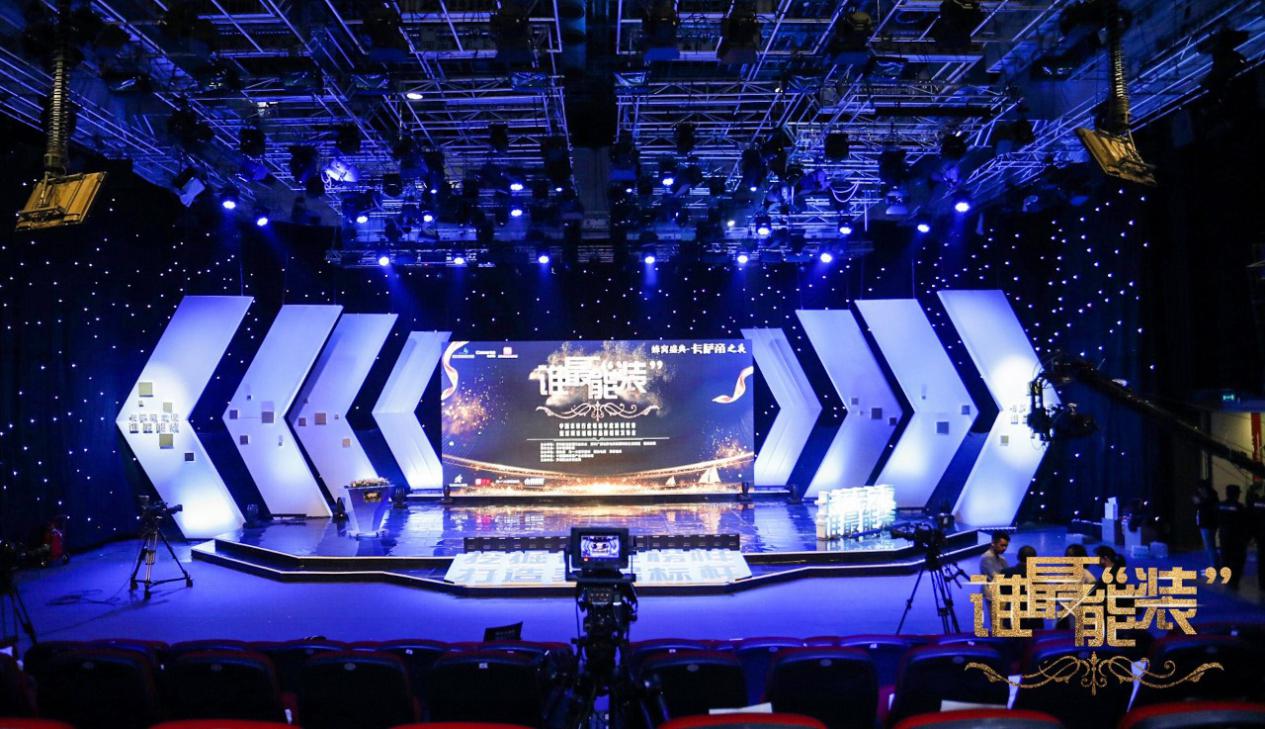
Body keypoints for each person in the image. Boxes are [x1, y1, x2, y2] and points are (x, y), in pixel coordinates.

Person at [1218, 485, 1249, 589]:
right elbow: (1245, 522)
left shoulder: (1220, 505)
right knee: (1237, 559)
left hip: (1224, 535)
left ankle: (1226, 578)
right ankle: (1234, 581)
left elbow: (1216, 518)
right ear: (1237, 494)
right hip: (1237, 537)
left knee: (1225, 557)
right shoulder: (1240, 507)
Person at [1193, 480, 1220, 568]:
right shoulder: (1213, 497)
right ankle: (1215, 563)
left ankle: (1214, 565)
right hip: (1210, 523)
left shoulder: (1206, 499)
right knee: (1211, 545)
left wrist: (1200, 502)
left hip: (1206, 523)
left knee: (1209, 545)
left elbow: (1202, 507)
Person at [1250, 483, 1265, 591]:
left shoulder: (1257, 502)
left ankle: (1262, 583)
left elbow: (1253, 519)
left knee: (1261, 560)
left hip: (1260, 535)